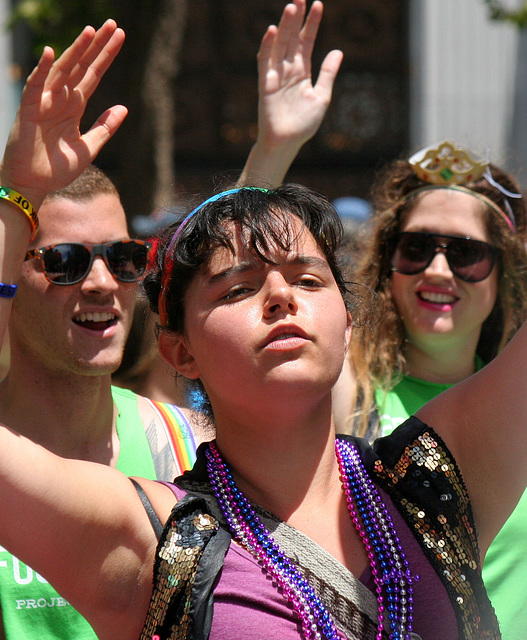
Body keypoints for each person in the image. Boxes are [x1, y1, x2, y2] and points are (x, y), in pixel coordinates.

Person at [237, 2, 527, 637]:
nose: (439, 271)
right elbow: (240, 286)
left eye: (468, 254)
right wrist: (273, 153)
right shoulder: (350, 388)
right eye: (416, 248)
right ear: (387, 267)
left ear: (503, 276)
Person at [0, 24, 211, 640]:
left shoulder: (182, 445)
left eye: (122, 259)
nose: (100, 283)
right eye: (64, 262)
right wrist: (17, 194)